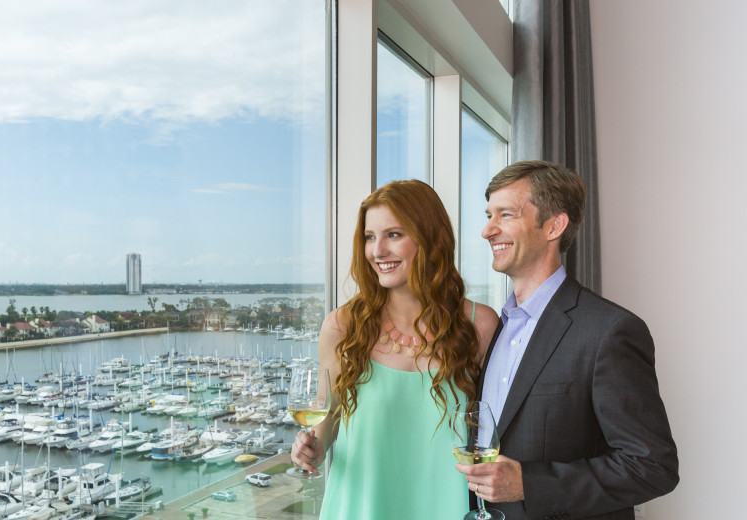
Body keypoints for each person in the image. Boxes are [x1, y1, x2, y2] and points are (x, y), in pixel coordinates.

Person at [457, 160, 679, 519]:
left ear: (554, 226)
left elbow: (653, 466)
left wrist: (530, 483)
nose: (487, 230)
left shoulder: (610, 330)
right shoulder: (492, 328)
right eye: (488, 215)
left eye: (506, 214)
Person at [291, 179, 499, 520]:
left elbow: (494, 428)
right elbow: (326, 413)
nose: (377, 251)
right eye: (370, 238)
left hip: (445, 507)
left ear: (431, 238)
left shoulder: (479, 326)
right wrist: (311, 448)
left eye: (394, 235)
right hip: (358, 508)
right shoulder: (342, 327)